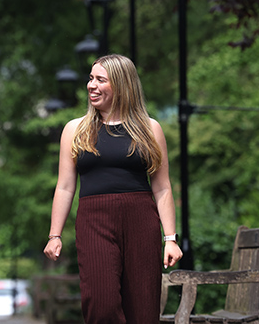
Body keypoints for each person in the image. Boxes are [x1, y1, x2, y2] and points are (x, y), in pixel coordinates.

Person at [44, 54, 182, 323]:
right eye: (90, 78)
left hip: (141, 221)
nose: (91, 85)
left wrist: (171, 238)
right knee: (101, 305)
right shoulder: (76, 129)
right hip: (94, 222)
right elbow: (65, 186)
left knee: (143, 308)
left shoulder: (149, 129)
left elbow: (163, 187)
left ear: (121, 85)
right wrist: (54, 235)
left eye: (100, 80)